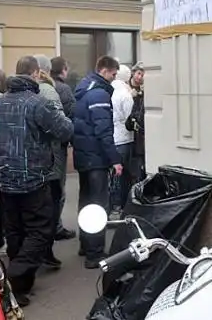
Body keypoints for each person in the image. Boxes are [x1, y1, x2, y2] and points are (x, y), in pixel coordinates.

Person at [0, 56, 73, 305]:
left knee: (15, 231)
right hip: (33, 179)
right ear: (36, 73)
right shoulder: (38, 103)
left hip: (4, 178)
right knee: (40, 230)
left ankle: (19, 288)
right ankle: (13, 275)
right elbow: (65, 130)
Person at [72, 55, 122, 269]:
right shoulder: (100, 93)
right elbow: (103, 131)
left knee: (85, 202)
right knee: (98, 206)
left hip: (83, 156)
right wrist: (115, 160)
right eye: (113, 73)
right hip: (97, 159)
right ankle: (95, 253)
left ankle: (85, 244)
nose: (114, 77)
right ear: (104, 71)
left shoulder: (83, 88)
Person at [33, 55, 66, 269]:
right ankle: (45, 250)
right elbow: (61, 127)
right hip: (50, 160)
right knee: (51, 205)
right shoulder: (48, 91)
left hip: (28, 163)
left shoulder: (12, 94)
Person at [49, 56, 76, 241]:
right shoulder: (63, 89)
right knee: (58, 189)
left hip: (41, 147)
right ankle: (56, 227)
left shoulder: (43, 86)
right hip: (57, 146)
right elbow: (70, 117)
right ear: (63, 70)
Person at [110, 65, 135, 215]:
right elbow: (130, 118)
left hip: (112, 138)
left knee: (114, 176)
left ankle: (113, 206)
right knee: (123, 176)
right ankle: (120, 206)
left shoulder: (109, 91)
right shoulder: (126, 95)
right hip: (124, 138)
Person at [126, 63, 147, 186]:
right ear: (133, 73)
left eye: (143, 75)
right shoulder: (126, 88)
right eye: (139, 73)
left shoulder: (144, 91)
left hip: (139, 135)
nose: (140, 77)